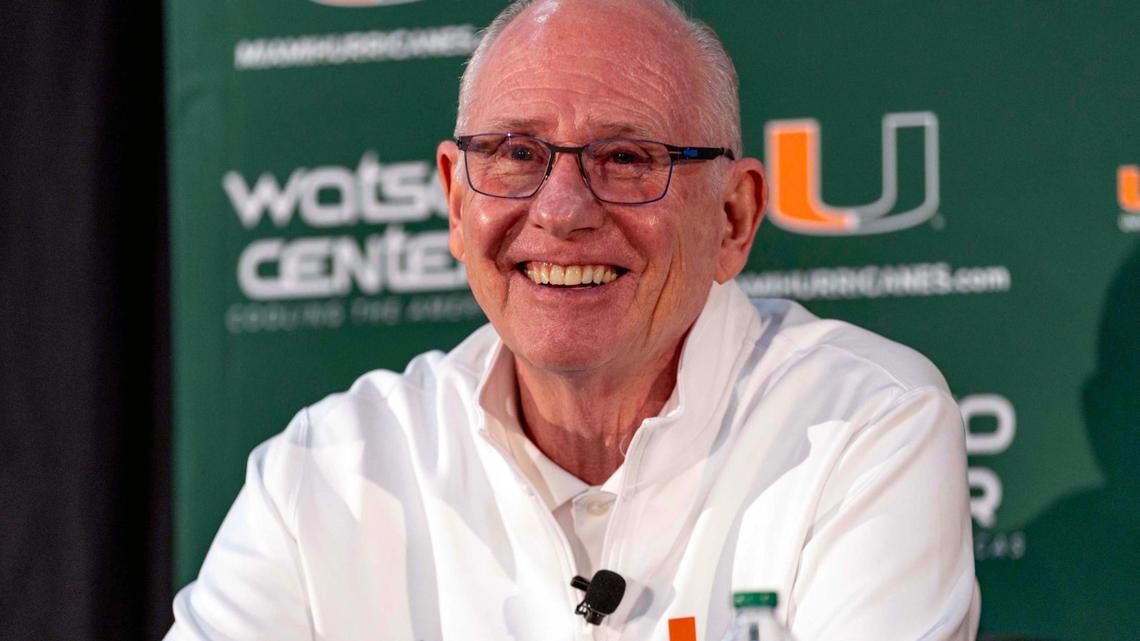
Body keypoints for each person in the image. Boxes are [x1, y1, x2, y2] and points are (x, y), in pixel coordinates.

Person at [165, 1, 980, 639]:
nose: (559, 210)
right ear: (455, 200)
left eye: (626, 159)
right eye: (516, 153)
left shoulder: (864, 422)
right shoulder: (331, 469)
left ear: (733, 218)